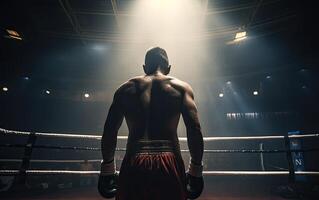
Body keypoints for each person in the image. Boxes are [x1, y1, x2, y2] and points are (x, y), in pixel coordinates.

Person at [98, 47, 204, 200]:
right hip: (169, 162)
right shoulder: (181, 88)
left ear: (144, 67)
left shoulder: (125, 89)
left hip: (133, 162)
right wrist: (195, 170)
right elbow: (194, 128)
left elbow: (110, 130)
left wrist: (107, 169)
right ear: (168, 68)